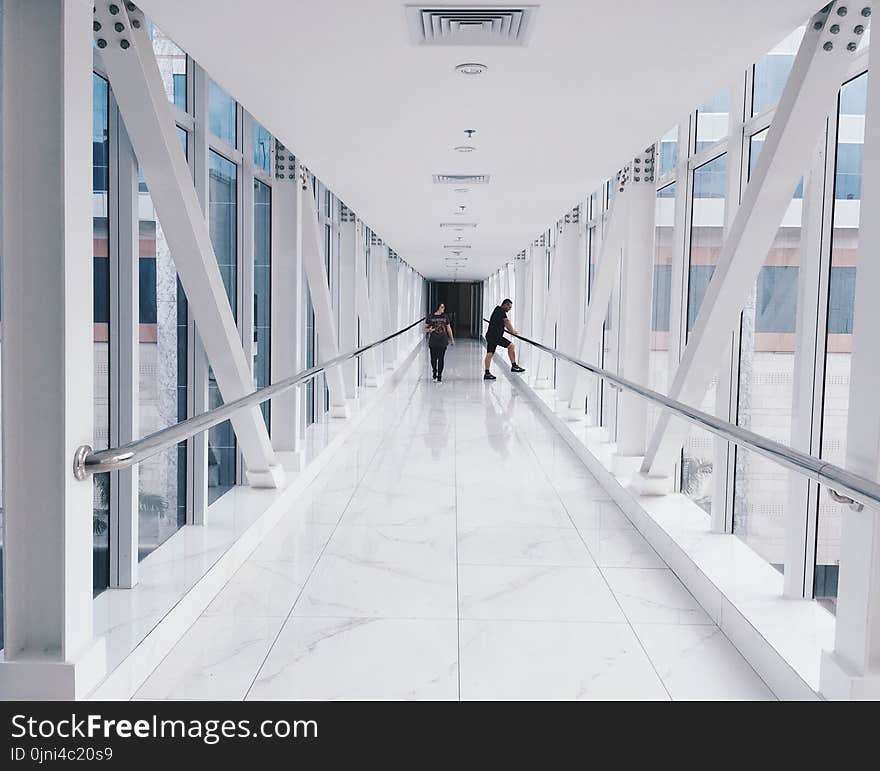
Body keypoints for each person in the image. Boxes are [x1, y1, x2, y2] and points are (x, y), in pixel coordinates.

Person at [484, 298, 525, 380]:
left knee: (490, 353)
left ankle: (487, 373)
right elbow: (507, 322)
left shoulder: (497, 310)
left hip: (493, 336)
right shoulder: (501, 311)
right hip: (494, 337)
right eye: (509, 307)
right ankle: (514, 366)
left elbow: (504, 323)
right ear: (505, 305)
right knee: (510, 346)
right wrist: (513, 331)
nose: (509, 309)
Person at [425, 302, 454, 382]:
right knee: (433, 359)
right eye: (442, 307)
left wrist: (452, 339)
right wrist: (429, 330)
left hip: (443, 341)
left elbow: (448, 328)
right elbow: (425, 328)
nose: (443, 308)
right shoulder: (431, 316)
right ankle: (434, 370)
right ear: (438, 308)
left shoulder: (445, 317)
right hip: (433, 341)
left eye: (443, 307)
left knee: (441, 358)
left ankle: (439, 375)